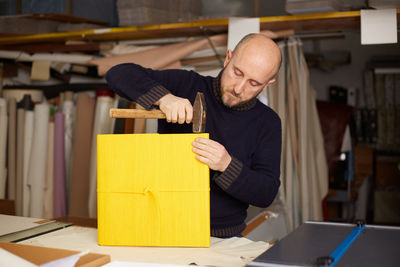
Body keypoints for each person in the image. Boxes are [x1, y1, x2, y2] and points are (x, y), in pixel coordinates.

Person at [105, 33, 282, 238]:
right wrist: (165, 98)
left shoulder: (267, 122)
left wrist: (226, 165)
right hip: (162, 227)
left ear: (268, 83)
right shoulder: (186, 84)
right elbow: (118, 73)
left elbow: (266, 193)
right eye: (237, 72)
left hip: (222, 238)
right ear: (228, 58)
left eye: (254, 83)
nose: (238, 88)